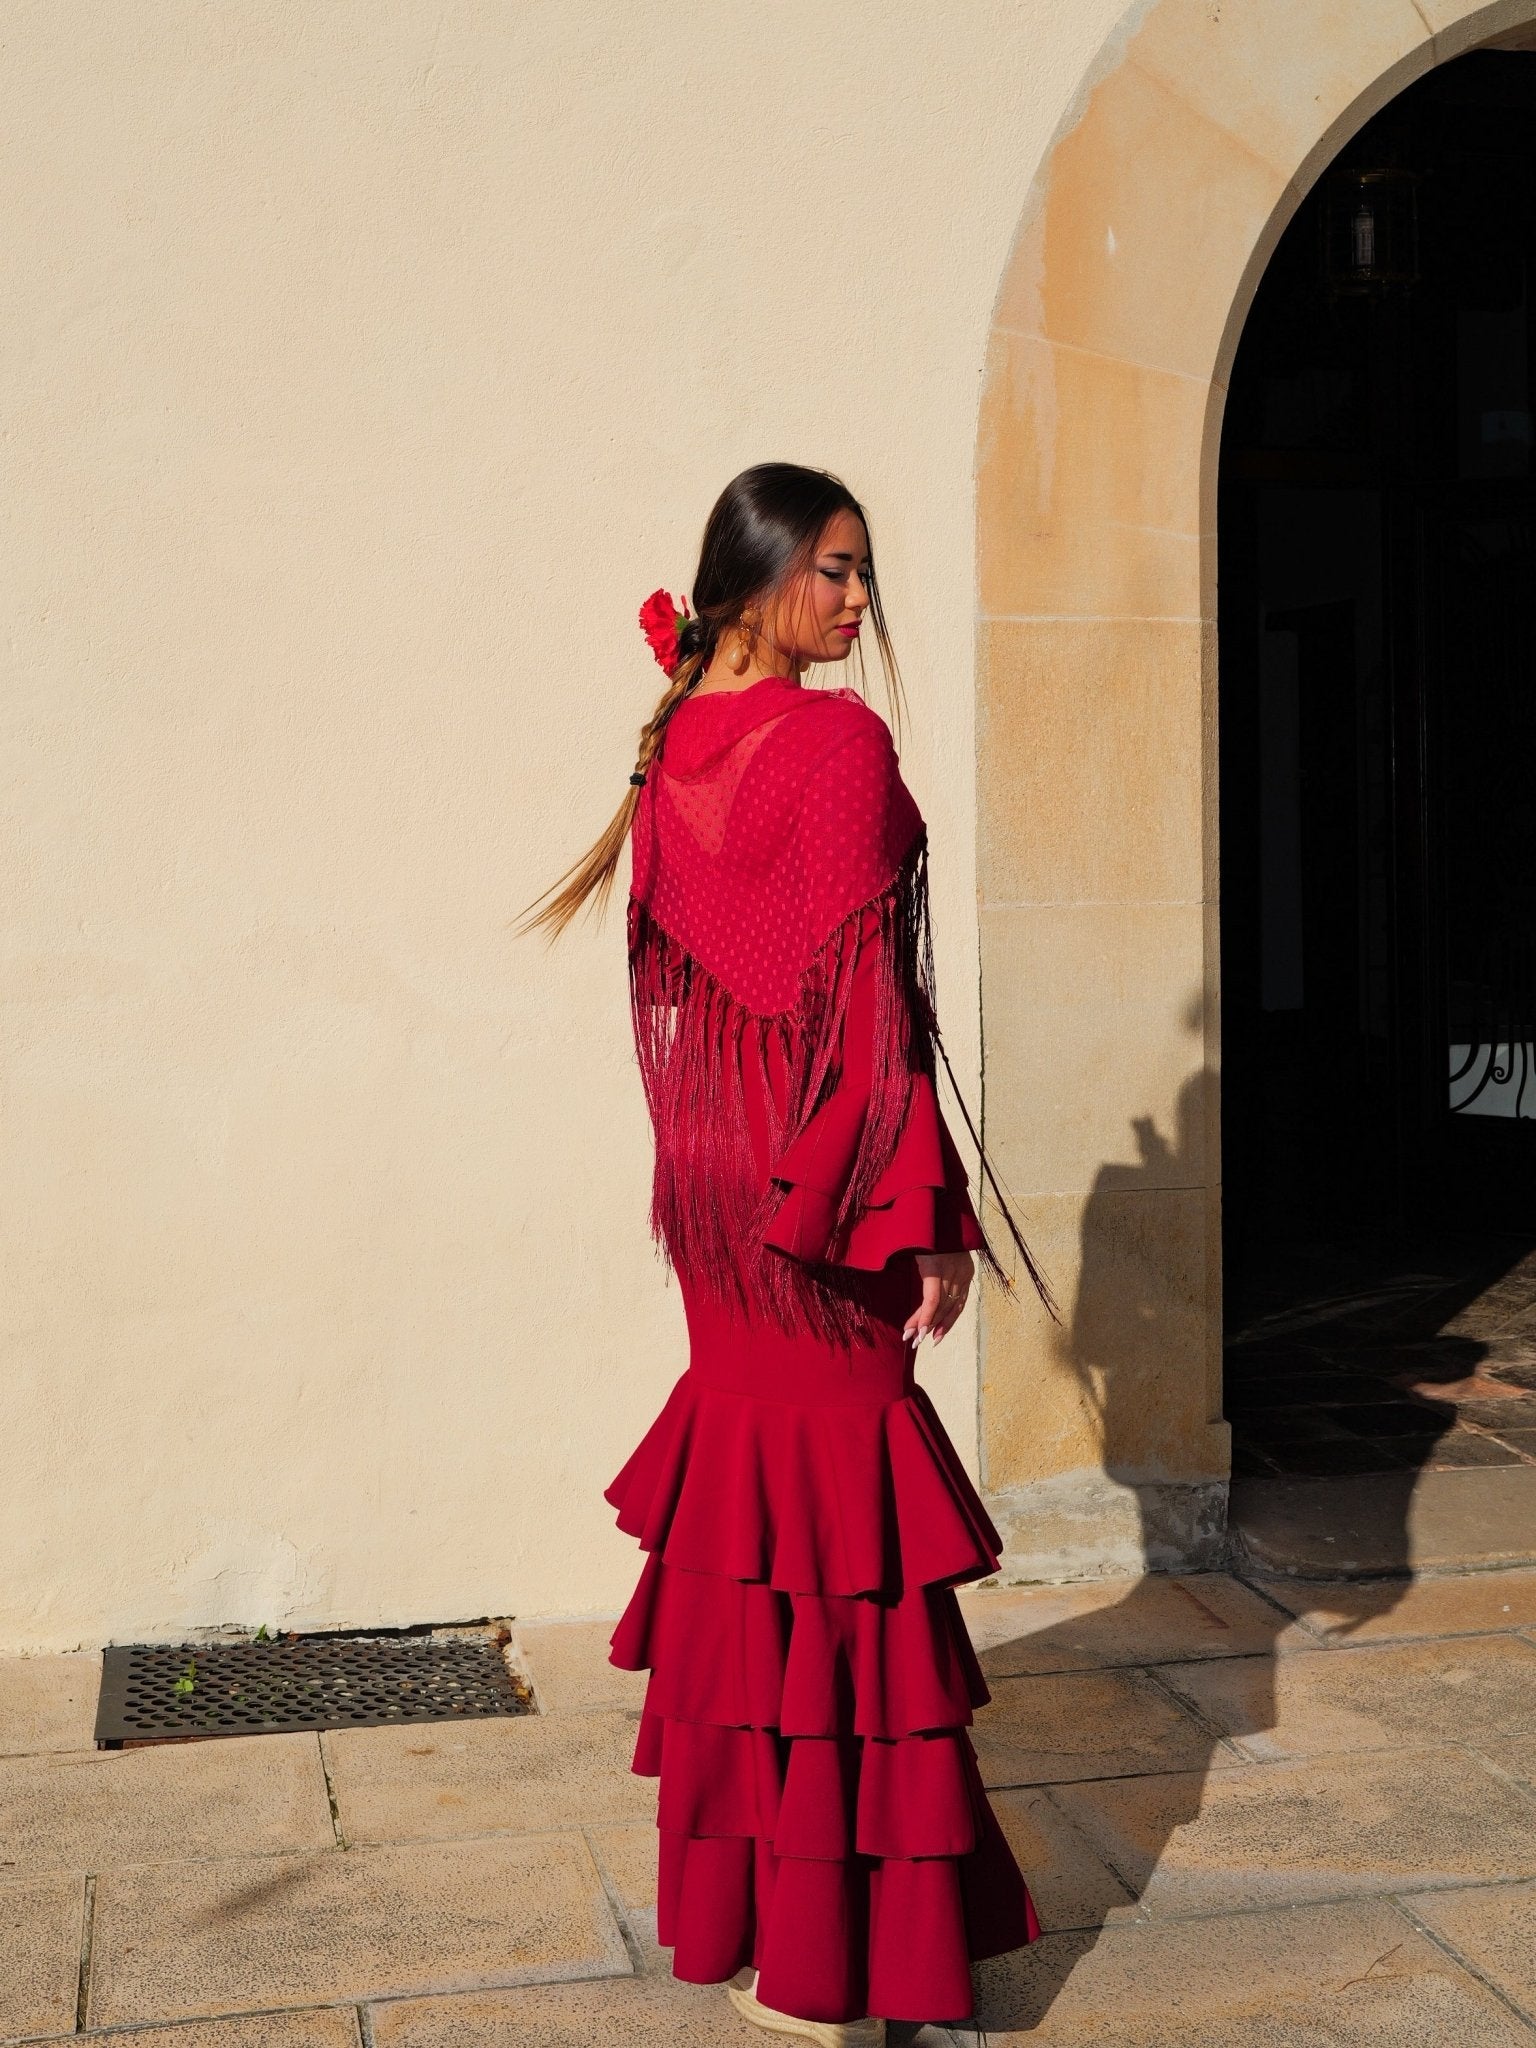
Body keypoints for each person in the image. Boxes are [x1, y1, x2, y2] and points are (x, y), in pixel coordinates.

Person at [524, 462, 1055, 2045]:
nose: (857, 599)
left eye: (863, 571)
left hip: (715, 1185)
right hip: (816, 1189)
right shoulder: (836, 744)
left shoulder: (671, 741)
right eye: (834, 568)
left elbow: (705, 991)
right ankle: (838, 1968)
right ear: (756, 575)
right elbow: (866, 1003)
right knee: (843, 1548)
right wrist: (925, 1215)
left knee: (759, 1538)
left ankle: (764, 1926)